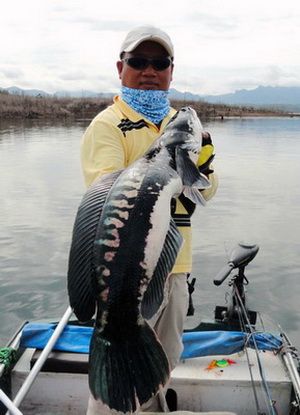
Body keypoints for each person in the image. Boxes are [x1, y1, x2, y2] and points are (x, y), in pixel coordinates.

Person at [81, 25, 218, 414]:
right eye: (138, 61)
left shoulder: (182, 124)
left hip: (176, 270)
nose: (149, 70)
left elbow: (206, 193)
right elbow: (103, 197)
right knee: (115, 389)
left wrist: (202, 167)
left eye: (159, 63)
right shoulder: (108, 125)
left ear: (171, 70)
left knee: (161, 369)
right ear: (120, 67)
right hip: (122, 279)